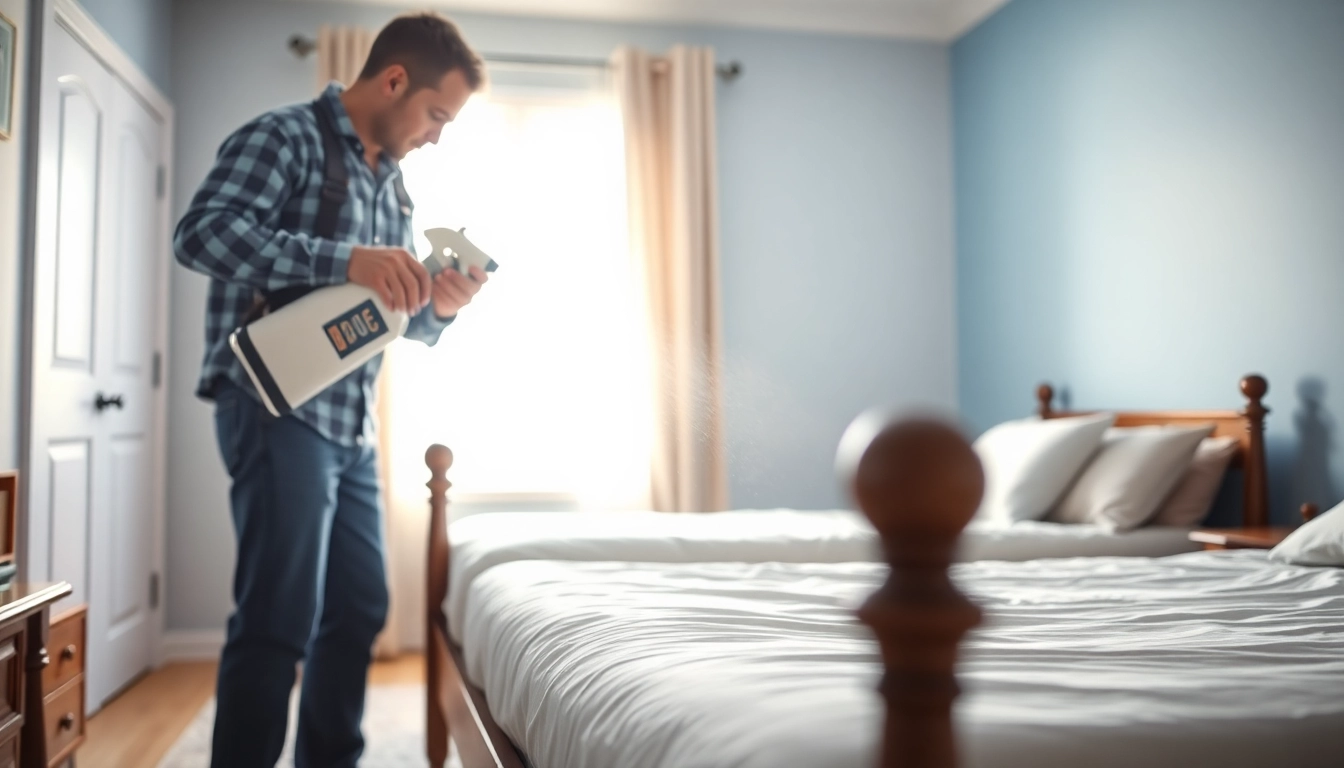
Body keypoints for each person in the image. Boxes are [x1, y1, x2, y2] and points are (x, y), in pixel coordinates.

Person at [172, 12, 487, 768]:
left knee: (358, 608)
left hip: (348, 426)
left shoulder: (395, 186)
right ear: (394, 80)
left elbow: (385, 313)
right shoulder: (284, 138)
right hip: (275, 407)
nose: (438, 135)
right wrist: (345, 258)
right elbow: (202, 234)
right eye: (437, 115)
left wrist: (435, 308)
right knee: (279, 617)